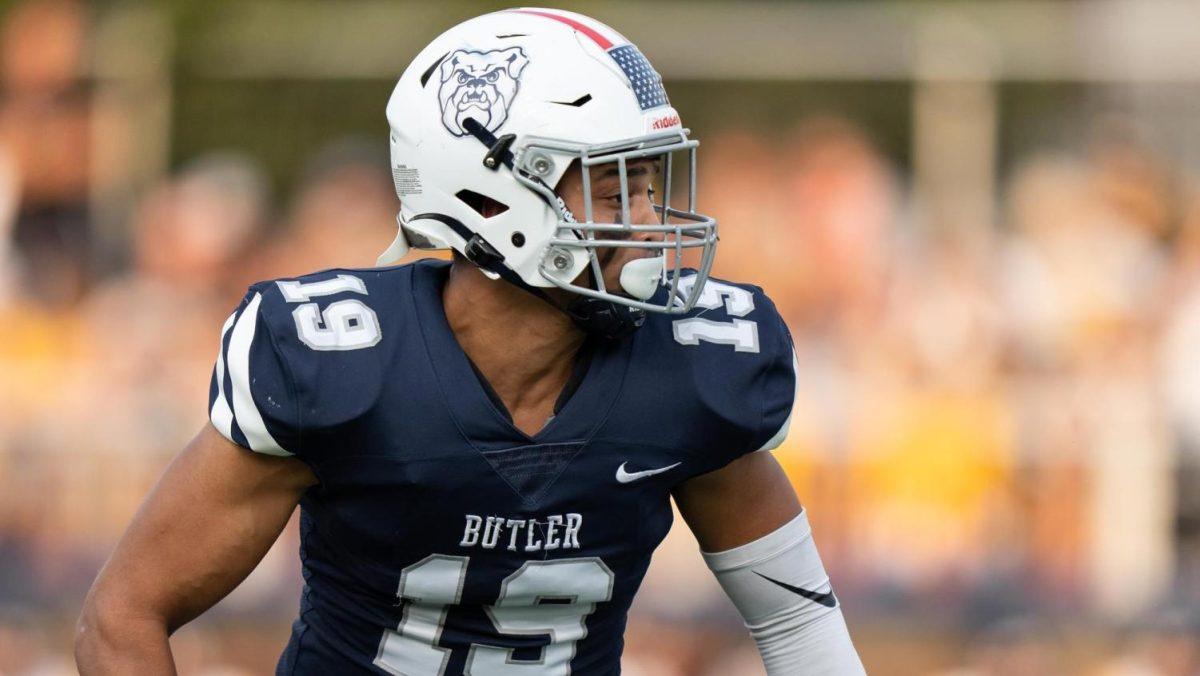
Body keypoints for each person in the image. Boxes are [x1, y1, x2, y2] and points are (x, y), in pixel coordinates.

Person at [74, 9, 864, 675]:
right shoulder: (343, 363)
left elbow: (799, 626)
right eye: (614, 185)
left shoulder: (688, 372)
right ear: (489, 199)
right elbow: (123, 616)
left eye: (651, 182)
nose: (650, 221)